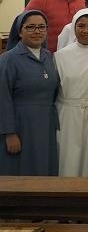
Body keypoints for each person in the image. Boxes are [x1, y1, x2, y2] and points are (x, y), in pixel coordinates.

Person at [0, 10, 60, 176]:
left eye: (41, 27)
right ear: (20, 31)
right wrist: (9, 133)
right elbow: (2, 98)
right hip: (20, 125)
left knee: (44, 167)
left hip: (46, 124)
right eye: (31, 27)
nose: (37, 31)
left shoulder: (49, 57)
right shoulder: (8, 59)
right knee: (20, 170)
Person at [55, 9, 88, 177]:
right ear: (74, 27)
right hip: (68, 115)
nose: (86, 30)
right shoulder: (61, 56)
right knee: (68, 158)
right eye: (81, 26)